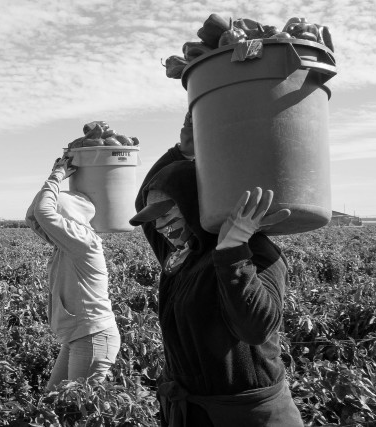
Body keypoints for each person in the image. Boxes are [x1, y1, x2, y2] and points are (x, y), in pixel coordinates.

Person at [129, 111, 304, 426]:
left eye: (168, 215)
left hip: (246, 416)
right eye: (154, 219)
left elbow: (255, 328)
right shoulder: (186, 251)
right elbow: (145, 203)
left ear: (196, 205)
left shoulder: (257, 251)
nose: (161, 227)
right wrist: (181, 150)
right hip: (192, 412)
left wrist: (234, 248)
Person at [25, 155, 120, 391]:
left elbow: (44, 213)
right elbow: (34, 216)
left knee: (76, 410)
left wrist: (57, 176)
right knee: (53, 401)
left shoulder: (83, 241)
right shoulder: (66, 244)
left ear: (68, 218)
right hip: (80, 336)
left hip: (94, 336)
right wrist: (53, 182)